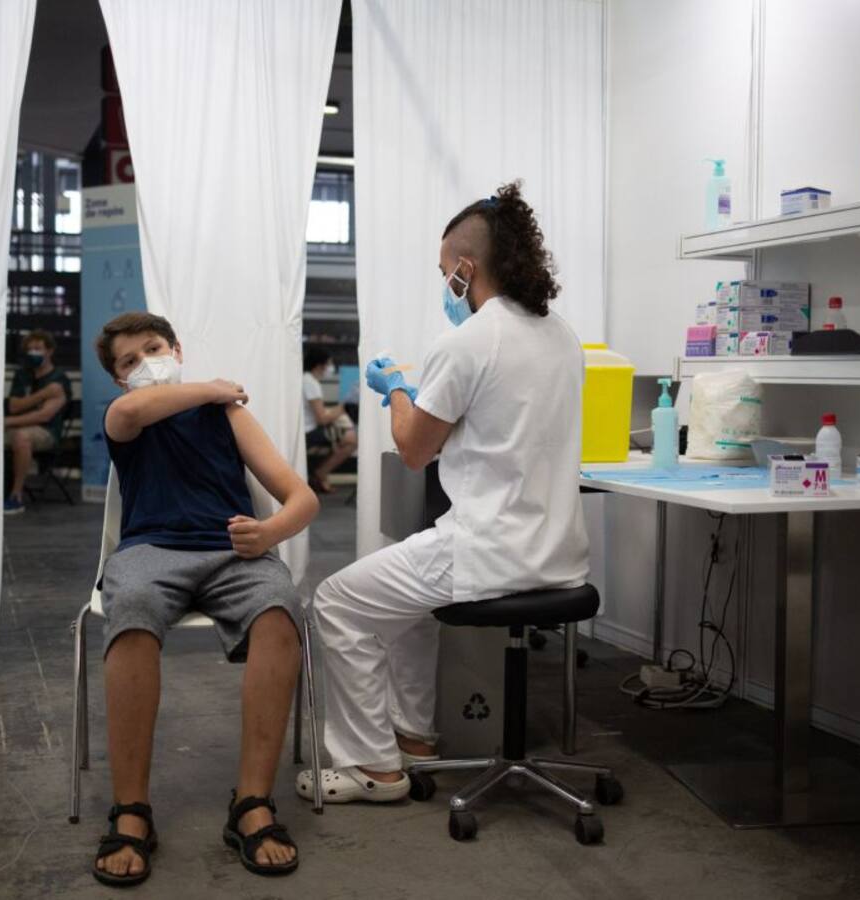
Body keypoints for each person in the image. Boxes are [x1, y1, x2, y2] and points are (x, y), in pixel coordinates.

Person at [296, 181, 590, 803]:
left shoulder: (468, 341)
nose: (444, 287)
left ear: (465, 268)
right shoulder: (562, 336)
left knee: (337, 602)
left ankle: (373, 768)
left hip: (488, 551)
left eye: (443, 273)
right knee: (403, 606)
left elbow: (413, 449)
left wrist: (398, 388)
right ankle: (415, 739)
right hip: (557, 553)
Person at [90, 311, 319, 887]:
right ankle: (131, 809)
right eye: (130, 361)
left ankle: (252, 802)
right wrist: (213, 388)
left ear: (177, 349)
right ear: (118, 378)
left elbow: (302, 498)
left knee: (279, 608)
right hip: (149, 551)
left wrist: (269, 533)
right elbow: (134, 411)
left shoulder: (227, 416)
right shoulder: (125, 415)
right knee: (132, 607)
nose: (146, 364)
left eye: (154, 349)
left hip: (232, 553)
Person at [3, 330, 72, 514]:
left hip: (46, 431)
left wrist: (8, 422)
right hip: (15, 427)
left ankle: (16, 496)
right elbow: (14, 406)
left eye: (38, 348)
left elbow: (44, 416)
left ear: (49, 351)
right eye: (30, 349)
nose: (33, 352)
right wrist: (44, 394)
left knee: (21, 437)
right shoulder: (22, 374)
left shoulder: (59, 379)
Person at [301, 346, 357, 493]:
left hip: (310, 427)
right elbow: (322, 419)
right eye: (329, 364)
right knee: (351, 440)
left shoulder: (307, 380)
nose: (330, 367)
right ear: (320, 365)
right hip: (309, 431)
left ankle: (320, 474)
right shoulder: (310, 383)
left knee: (347, 435)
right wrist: (343, 408)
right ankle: (320, 474)